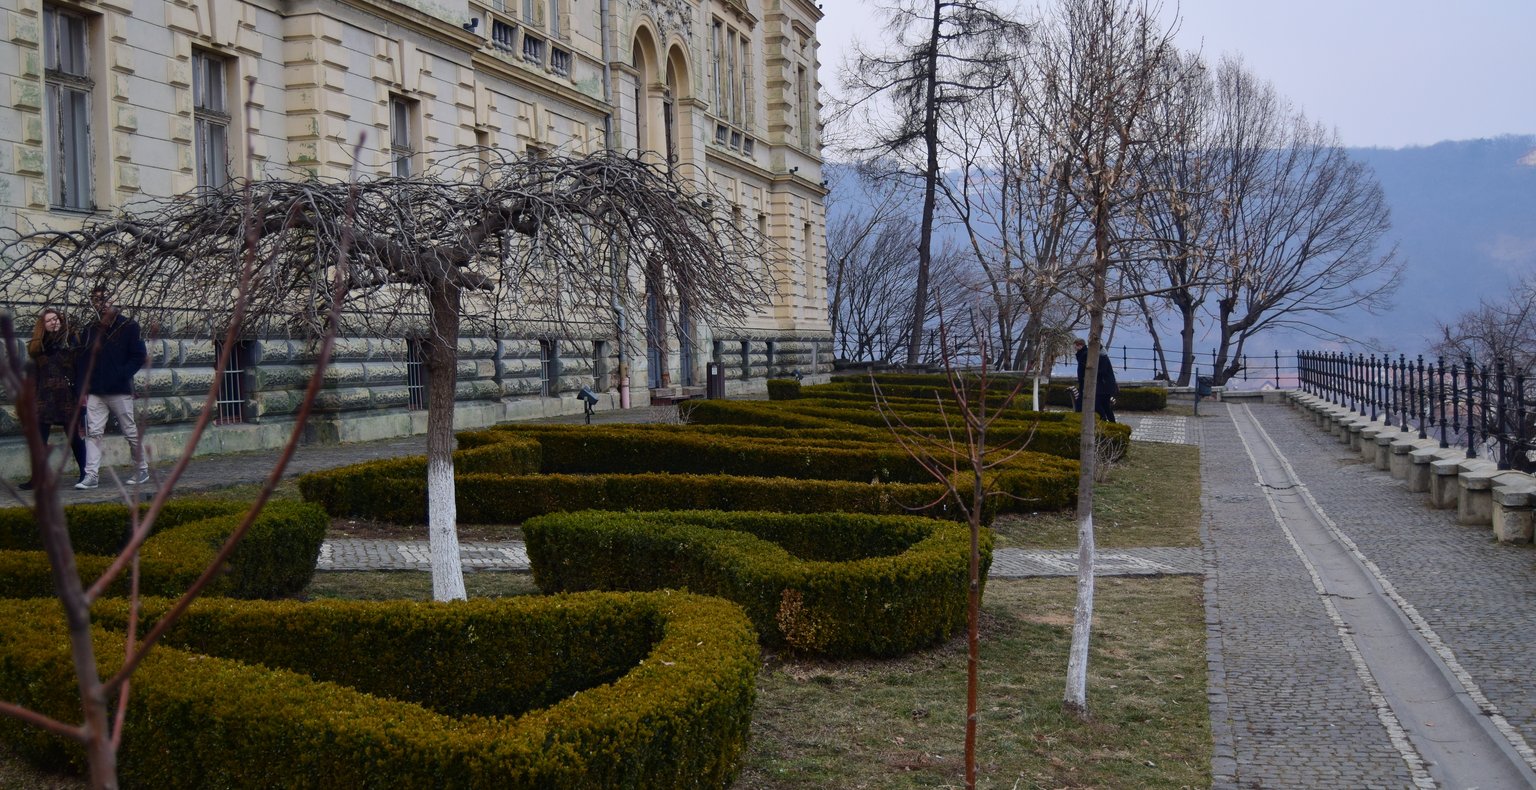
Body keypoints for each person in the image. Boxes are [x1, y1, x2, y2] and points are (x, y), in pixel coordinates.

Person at [75, 286, 149, 489]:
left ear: (114, 299)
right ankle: (91, 476)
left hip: (119, 390)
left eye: (105, 298)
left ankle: (141, 468)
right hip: (95, 391)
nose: (102, 303)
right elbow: (83, 360)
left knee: (130, 431)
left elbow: (138, 356)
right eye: (97, 300)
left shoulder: (128, 326)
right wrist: (82, 388)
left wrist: (122, 375)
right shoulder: (90, 329)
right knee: (93, 433)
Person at [19, 308, 87, 489]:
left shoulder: (71, 340)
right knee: (39, 440)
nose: (53, 322)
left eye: (56, 319)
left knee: (74, 438)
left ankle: (85, 473)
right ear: (43, 325)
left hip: (67, 396)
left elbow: (80, 369)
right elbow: (34, 374)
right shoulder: (38, 345)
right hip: (44, 397)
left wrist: (81, 394)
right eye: (49, 320)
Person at [1073, 338, 1119, 424]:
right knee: (1105, 406)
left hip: (1103, 387)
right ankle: (1111, 423)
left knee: (1098, 404)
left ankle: (1104, 420)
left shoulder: (1102, 357)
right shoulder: (1101, 356)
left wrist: (1091, 374)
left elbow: (1101, 371)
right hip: (1104, 386)